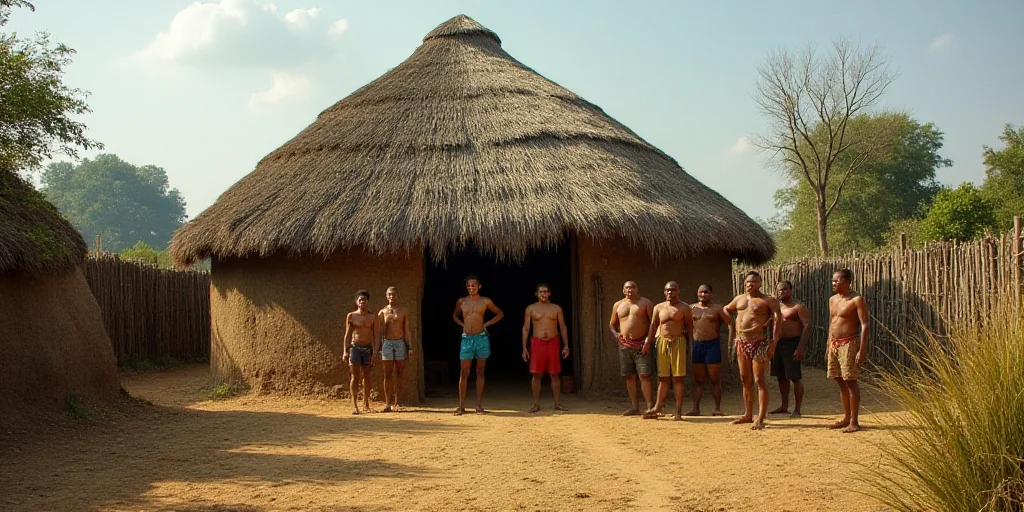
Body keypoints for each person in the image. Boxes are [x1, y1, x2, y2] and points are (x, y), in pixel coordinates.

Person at [724, 271, 782, 430]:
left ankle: (761, 417)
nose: (750, 285)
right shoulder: (739, 299)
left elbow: (778, 320)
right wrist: (731, 324)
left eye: (754, 282)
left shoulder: (768, 301)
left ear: (760, 283)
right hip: (741, 343)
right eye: (748, 282)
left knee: (759, 380)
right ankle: (748, 414)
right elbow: (726, 309)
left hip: (759, 343)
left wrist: (773, 342)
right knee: (745, 379)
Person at [452, 275, 504, 416]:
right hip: (467, 339)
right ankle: (461, 406)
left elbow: (500, 313)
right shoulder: (461, 301)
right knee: (464, 372)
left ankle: (479, 405)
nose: (471, 288)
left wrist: (486, 324)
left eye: (473, 285)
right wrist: (463, 325)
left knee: (480, 371)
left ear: (479, 286)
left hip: (481, 338)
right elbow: (455, 315)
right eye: (469, 285)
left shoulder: (485, 301)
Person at [642, 281, 694, 420]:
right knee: (663, 378)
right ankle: (657, 407)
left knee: (678, 378)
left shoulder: (684, 308)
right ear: (664, 292)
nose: (670, 292)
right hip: (662, 342)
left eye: (673, 290)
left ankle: (678, 410)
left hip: (678, 342)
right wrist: (648, 342)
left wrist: (691, 345)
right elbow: (653, 325)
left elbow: (690, 327)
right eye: (667, 290)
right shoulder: (658, 308)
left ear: (678, 291)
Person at [827, 269, 869, 433]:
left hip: (849, 343)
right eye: (833, 280)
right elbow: (831, 321)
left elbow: (864, 324)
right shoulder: (832, 300)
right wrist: (828, 344)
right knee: (839, 379)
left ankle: (854, 421)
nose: (833, 283)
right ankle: (846, 417)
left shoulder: (856, 299)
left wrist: (862, 349)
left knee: (850, 380)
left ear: (846, 281)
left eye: (836, 280)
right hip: (834, 343)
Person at [521, 283, 571, 413]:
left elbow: (563, 327)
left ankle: (557, 403)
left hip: (553, 342)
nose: (543, 294)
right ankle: (536, 404)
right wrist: (524, 348)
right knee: (536, 374)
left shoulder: (556, 308)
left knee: (555, 374)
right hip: (537, 343)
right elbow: (526, 328)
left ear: (549, 293)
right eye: (540, 292)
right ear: (537, 294)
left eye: (545, 292)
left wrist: (566, 346)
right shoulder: (531, 309)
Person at [609, 281, 655, 416]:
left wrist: (648, 341)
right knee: (629, 376)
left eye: (632, 287)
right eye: (627, 288)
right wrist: (616, 334)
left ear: (637, 288)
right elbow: (612, 324)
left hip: (642, 344)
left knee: (644, 375)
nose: (630, 290)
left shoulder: (645, 303)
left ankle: (650, 407)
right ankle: (634, 407)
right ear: (623, 290)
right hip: (624, 345)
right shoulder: (618, 305)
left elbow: (653, 324)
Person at [687, 284, 733, 416]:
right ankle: (696, 408)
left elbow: (730, 323)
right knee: (698, 380)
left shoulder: (717, 309)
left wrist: (731, 342)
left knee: (715, 379)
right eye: (700, 292)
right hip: (697, 346)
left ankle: (717, 408)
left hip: (712, 346)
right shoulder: (691, 309)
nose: (703, 295)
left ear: (711, 294)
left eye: (706, 292)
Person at [769, 281, 812, 418]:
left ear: (791, 290)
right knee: (781, 377)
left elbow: (808, 326)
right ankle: (784, 406)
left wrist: (800, 348)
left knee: (794, 377)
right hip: (778, 343)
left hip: (792, 343)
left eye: (785, 289)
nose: (781, 292)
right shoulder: (775, 308)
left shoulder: (798, 307)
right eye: (779, 290)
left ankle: (797, 409)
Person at [342, 289, 378, 415]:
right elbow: (347, 335)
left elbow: (376, 336)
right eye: (360, 300)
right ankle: (354, 405)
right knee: (355, 377)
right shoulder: (351, 316)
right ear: (356, 302)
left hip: (367, 349)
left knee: (367, 376)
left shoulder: (372, 317)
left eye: (364, 300)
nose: (362, 302)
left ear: (368, 302)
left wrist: (375, 352)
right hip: (354, 349)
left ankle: (366, 403)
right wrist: (345, 351)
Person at [378, 286, 412, 412]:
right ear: (386, 296)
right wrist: (378, 346)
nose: (392, 296)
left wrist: (410, 346)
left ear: (397, 295)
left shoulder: (404, 311)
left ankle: (397, 402)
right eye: (389, 294)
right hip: (387, 343)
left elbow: (407, 329)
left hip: (400, 343)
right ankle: (387, 403)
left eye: (394, 294)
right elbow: (379, 331)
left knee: (399, 373)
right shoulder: (382, 312)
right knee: (387, 374)